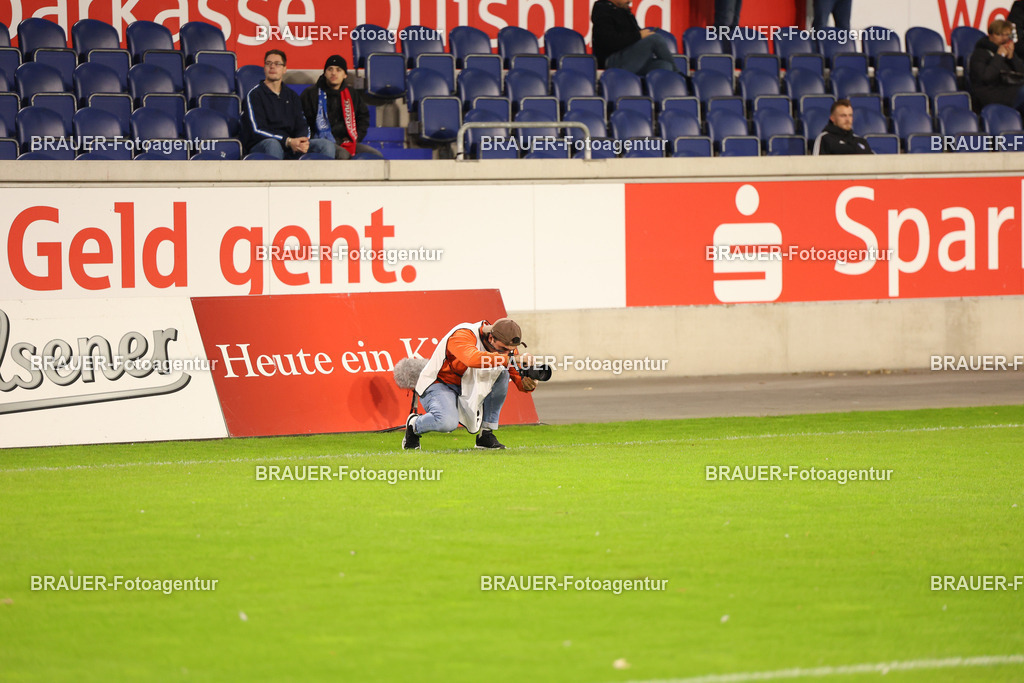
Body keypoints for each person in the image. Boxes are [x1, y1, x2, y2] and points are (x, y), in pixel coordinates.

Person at [403, 318, 537, 451]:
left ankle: (486, 434)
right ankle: (414, 425)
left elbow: (518, 378)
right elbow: (472, 359)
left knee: (503, 373)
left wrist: (529, 381)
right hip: (440, 383)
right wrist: (510, 359)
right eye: (503, 349)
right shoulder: (463, 334)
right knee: (446, 423)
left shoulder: (507, 349)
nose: (507, 352)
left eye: (511, 350)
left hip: (468, 385)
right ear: (491, 338)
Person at [240, 49, 336, 159]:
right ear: (264, 68)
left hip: (291, 144)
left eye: (277, 64)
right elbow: (256, 130)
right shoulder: (254, 95)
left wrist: (301, 141)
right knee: (273, 145)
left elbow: (302, 124)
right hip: (263, 144)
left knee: (326, 146)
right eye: (268, 63)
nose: (272, 67)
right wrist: (288, 141)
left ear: (284, 69)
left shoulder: (292, 96)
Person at [300, 55, 382, 160]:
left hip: (346, 142)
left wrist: (356, 138)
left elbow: (363, 117)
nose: (333, 73)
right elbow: (302, 121)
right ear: (325, 73)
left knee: (375, 155)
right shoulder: (311, 94)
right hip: (320, 141)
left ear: (345, 75)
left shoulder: (352, 94)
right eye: (330, 69)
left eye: (338, 70)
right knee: (342, 155)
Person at [591, 0, 678, 75]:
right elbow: (609, 41)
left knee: (665, 66)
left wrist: (642, 37)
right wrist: (638, 35)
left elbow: (634, 37)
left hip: (630, 59)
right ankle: (679, 76)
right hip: (612, 61)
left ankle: (650, 91)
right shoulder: (602, 12)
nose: (630, 1)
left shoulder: (626, 13)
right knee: (655, 39)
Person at [969, 20, 1024, 113]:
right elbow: (986, 77)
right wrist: (999, 56)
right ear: (990, 35)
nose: (1004, 38)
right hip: (990, 94)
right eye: (1000, 35)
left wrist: (1012, 58)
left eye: (1007, 35)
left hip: (1009, 90)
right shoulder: (979, 54)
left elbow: (1021, 72)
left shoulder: (1006, 51)